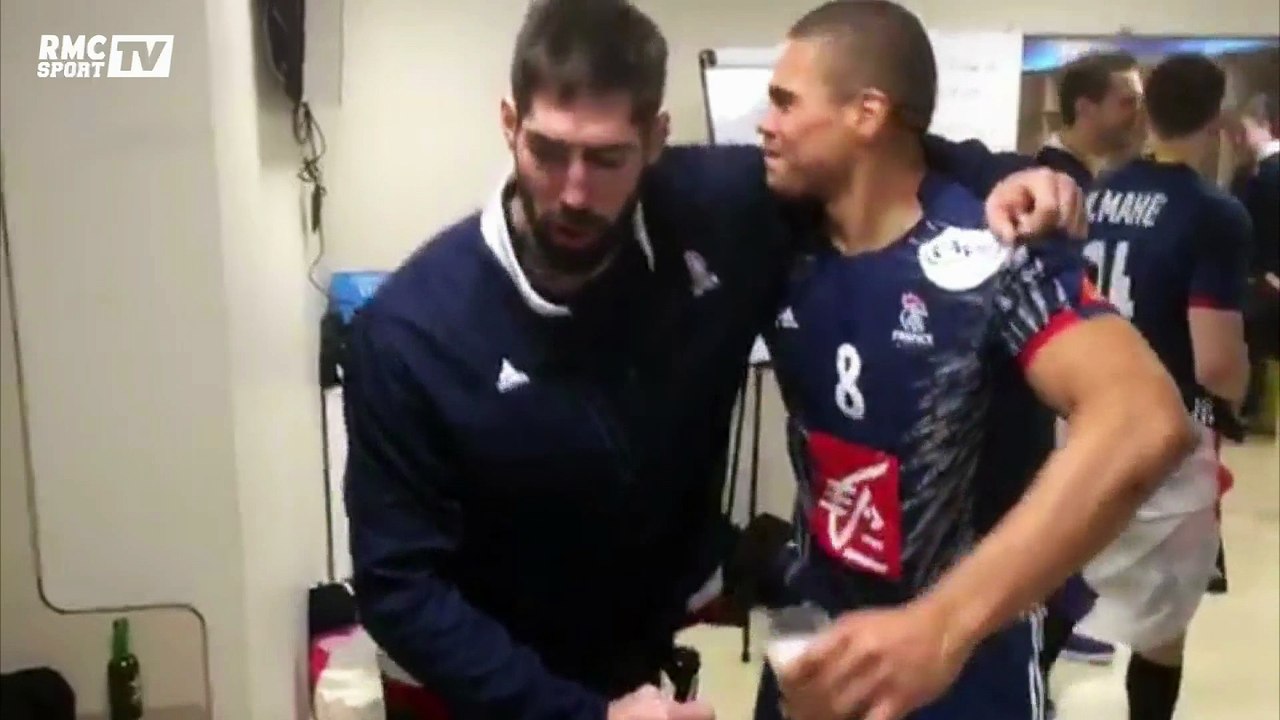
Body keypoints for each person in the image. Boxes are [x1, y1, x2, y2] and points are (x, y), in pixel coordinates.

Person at [340, 1, 1086, 719]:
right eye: (547, 150)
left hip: (636, 661)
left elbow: (878, 156)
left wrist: (1025, 178)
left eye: (606, 158)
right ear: (510, 124)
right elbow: (399, 586)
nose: (572, 191)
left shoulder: (715, 211)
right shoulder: (409, 334)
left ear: (656, 140)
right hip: (476, 687)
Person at [746, 3, 1194, 720]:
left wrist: (940, 628)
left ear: (867, 112)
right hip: (821, 641)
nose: (764, 125)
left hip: (962, 660)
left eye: (784, 102)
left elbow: (1143, 420)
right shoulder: (775, 234)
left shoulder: (993, 245)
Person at [1071, 53, 1252, 720]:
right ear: (1219, 118)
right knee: (1165, 622)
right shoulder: (1213, 213)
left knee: (1061, 582)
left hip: (1083, 418)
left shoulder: (1099, 190)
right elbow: (1216, 362)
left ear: (1146, 112)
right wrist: (1237, 397)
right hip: (1167, 435)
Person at [1032, 49, 1148, 673]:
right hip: (1049, 394)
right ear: (1086, 107)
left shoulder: (1095, 180)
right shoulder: (1051, 184)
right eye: (1126, 100)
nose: (1137, 114)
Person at [1229, 93, 1280, 425]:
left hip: (1265, 274)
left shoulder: (1266, 173)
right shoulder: (1251, 171)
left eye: (1246, 128)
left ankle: (1255, 409)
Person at [1037, 50, 1144, 189]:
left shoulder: (1121, 169)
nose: (1140, 113)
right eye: (1128, 102)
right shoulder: (1048, 181)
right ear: (1084, 108)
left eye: (1140, 101)